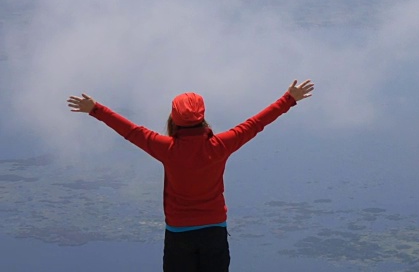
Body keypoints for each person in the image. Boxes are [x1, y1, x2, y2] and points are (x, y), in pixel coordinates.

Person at [67, 79, 314, 272]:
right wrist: (288, 99)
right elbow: (255, 124)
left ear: (173, 119)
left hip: (179, 235)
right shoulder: (220, 145)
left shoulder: (167, 149)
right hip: (214, 233)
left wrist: (96, 110)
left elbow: (131, 131)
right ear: (202, 117)